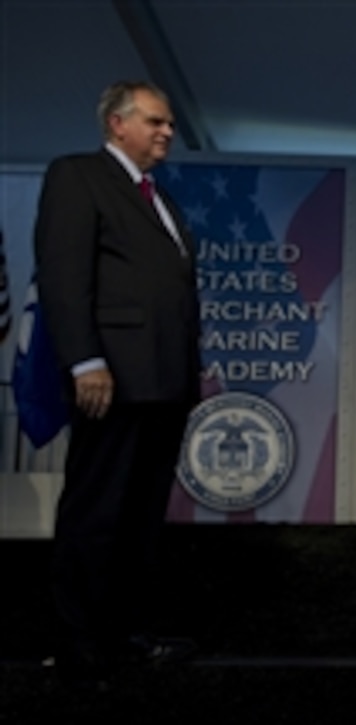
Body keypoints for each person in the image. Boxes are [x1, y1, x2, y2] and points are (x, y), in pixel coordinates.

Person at [34, 81, 201, 687]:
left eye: (169, 124)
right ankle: (79, 646)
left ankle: (129, 636)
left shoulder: (158, 197)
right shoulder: (77, 176)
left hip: (164, 383)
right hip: (112, 380)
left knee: (138, 519)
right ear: (116, 123)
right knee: (96, 515)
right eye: (155, 121)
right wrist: (84, 361)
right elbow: (62, 276)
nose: (167, 132)